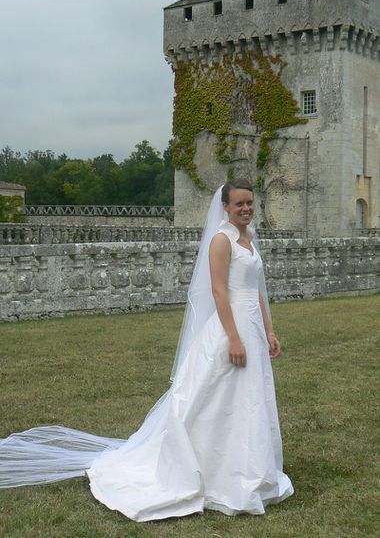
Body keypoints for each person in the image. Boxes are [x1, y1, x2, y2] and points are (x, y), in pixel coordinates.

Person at [0, 179, 293, 522]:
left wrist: (269, 330)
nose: (245, 209)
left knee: (251, 397)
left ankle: (250, 467)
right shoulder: (221, 240)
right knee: (214, 400)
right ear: (225, 207)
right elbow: (218, 291)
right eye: (239, 204)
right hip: (232, 329)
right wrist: (234, 338)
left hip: (254, 326)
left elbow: (255, 287)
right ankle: (212, 472)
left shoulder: (250, 238)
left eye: (249, 203)